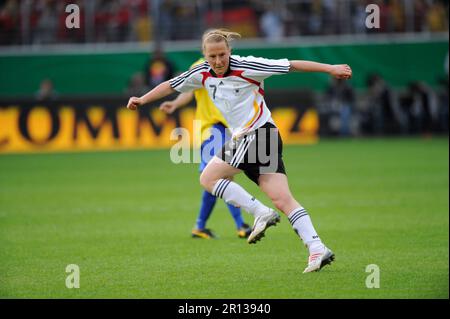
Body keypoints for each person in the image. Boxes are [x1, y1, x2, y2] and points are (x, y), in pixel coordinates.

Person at [126, 29, 353, 273]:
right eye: (212, 56)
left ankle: (259, 212)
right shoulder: (201, 72)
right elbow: (171, 85)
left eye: (222, 54)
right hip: (253, 139)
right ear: (204, 55)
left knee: (209, 177)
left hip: (260, 134)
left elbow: (292, 65)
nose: (218, 61)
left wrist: (330, 68)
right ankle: (317, 248)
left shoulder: (248, 66)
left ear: (229, 51)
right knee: (282, 199)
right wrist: (142, 99)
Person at [159, 58, 252, 239]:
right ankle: (240, 225)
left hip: (227, 129)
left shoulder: (232, 65)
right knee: (221, 177)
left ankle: (200, 227)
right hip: (212, 129)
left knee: (214, 180)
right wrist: (176, 103)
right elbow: (188, 90)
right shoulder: (200, 66)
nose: (218, 57)